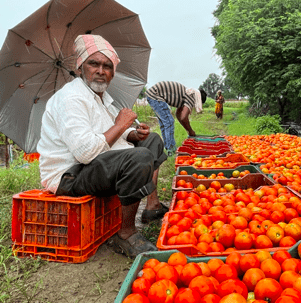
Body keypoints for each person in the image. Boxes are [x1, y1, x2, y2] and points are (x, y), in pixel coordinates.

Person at [37, 34, 168, 258]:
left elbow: (104, 130)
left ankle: (152, 205)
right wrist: (120, 124)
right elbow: (85, 152)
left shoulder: (100, 97)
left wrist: (132, 133)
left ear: (112, 73)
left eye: (107, 66)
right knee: (139, 158)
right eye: (93, 64)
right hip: (69, 174)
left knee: (151, 140)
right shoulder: (71, 99)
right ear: (80, 67)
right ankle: (125, 234)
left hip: (92, 163)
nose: (100, 70)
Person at [145, 81, 207, 155]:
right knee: (169, 122)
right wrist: (190, 131)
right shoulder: (192, 96)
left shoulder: (187, 94)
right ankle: (170, 149)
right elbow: (184, 117)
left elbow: (179, 115)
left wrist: (188, 130)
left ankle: (168, 147)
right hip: (156, 95)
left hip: (153, 95)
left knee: (165, 123)